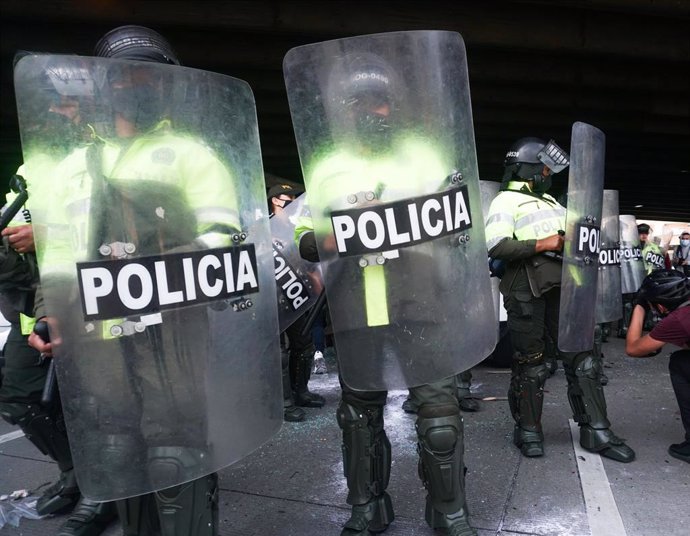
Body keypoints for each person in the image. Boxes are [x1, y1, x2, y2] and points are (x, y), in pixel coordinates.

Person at [28, 25, 243, 535]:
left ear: (166, 84)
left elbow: (224, 240)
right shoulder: (72, 167)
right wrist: (46, 310)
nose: (134, 86)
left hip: (171, 331)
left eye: (147, 75)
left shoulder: (193, 156)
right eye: (123, 77)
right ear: (103, 86)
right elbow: (56, 252)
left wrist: (153, 265)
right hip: (97, 337)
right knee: (116, 446)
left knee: (174, 449)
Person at [294, 53, 478, 536]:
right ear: (346, 108)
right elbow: (302, 238)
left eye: (380, 102)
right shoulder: (328, 165)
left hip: (420, 298)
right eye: (361, 102)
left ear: (392, 106)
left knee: (439, 413)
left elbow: (458, 224)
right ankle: (367, 506)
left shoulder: (423, 155)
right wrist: (325, 238)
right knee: (358, 414)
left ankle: (449, 511)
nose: (372, 111)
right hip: (356, 305)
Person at [1, 67, 117, 536]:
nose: (55, 111)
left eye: (66, 103)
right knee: (21, 396)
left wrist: (46, 234)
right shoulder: (29, 169)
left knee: (99, 403)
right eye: (51, 103)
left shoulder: (106, 158)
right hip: (39, 304)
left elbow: (119, 230)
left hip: (97, 300)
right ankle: (75, 476)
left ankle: (103, 489)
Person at [484, 136, 635, 462]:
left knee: (584, 358)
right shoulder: (505, 201)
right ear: (530, 168)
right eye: (546, 168)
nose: (549, 174)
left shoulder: (553, 203)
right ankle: (528, 430)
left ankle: (596, 430)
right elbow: (496, 247)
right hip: (526, 291)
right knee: (532, 364)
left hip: (566, 288)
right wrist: (543, 243)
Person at [268, 183, 325, 422]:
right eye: (286, 200)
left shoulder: (297, 226)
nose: (291, 205)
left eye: (294, 200)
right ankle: (283, 403)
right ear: (274, 201)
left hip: (297, 294)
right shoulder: (261, 227)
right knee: (279, 352)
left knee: (304, 344)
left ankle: (301, 392)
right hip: (272, 298)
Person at [625, 270, 690, 463]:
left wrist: (639, 307)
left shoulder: (678, 319)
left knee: (679, 363)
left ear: (661, 306)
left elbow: (633, 348)